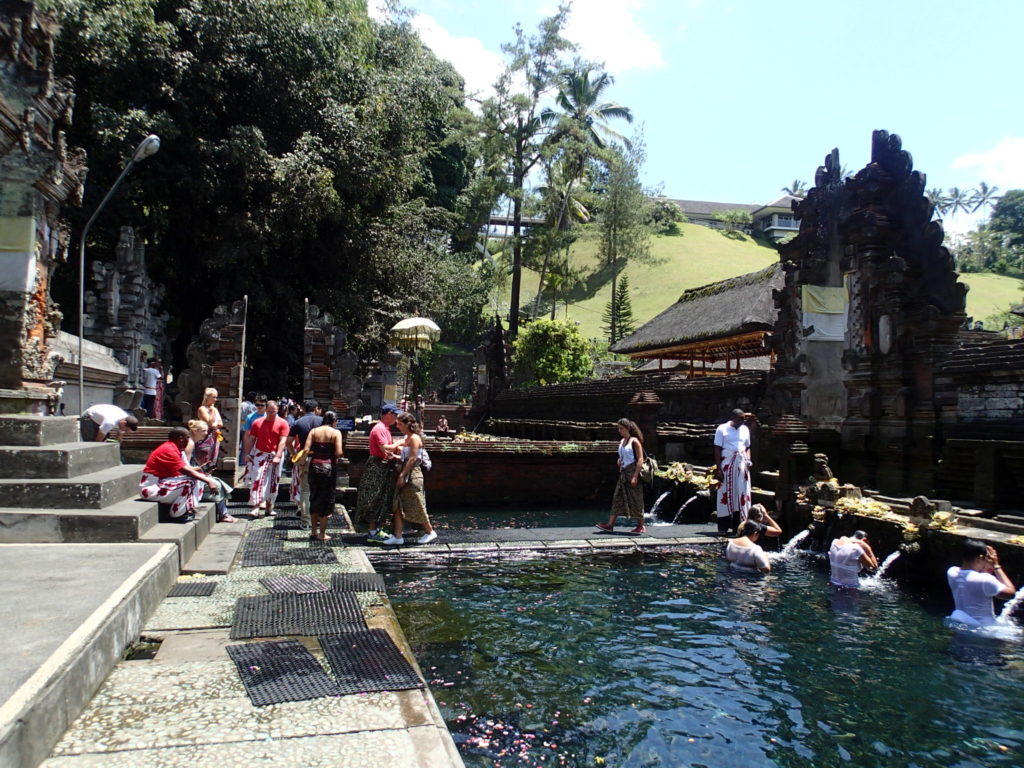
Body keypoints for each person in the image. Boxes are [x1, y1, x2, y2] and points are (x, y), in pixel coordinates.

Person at [139, 427, 218, 521]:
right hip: (151, 488)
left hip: (163, 482)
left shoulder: (176, 449)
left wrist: (203, 470)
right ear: (181, 438)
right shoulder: (168, 449)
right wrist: (208, 481)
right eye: (187, 438)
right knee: (189, 482)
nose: (189, 441)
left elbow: (188, 469)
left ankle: (189, 507)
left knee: (199, 478)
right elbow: (186, 471)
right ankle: (177, 514)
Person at [383, 412, 437, 546]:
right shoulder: (406, 438)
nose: (398, 427)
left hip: (413, 474)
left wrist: (402, 475)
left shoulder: (414, 438)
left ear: (408, 424)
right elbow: (405, 457)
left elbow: (413, 459)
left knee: (417, 503)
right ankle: (398, 535)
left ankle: (430, 532)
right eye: (397, 424)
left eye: (400, 424)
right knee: (398, 504)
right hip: (404, 470)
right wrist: (394, 457)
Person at [355, 403, 400, 541]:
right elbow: (385, 449)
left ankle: (376, 529)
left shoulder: (385, 428)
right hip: (377, 466)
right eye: (395, 414)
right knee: (374, 497)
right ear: (388, 414)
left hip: (382, 466)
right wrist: (400, 444)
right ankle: (372, 531)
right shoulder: (379, 428)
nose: (396, 417)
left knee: (381, 498)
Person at [947, 540, 1017, 627]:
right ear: (979, 558)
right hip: (986, 630)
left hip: (962, 623)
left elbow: (973, 581)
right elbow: (1011, 594)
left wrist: (985, 568)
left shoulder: (951, 572)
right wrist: (996, 566)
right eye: (986, 558)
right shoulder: (986, 580)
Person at [595, 418, 646, 535]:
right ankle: (610, 525)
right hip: (623, 473)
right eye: (618, 428)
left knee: (636, 498)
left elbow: (640, 459)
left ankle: (641, 525)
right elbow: (623, 456)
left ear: (628, 428)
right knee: (617, 498)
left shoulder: (634, 441)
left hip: (632, 472)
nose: (619, 431)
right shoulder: (622, 441)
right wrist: (619, 460)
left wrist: (635, 476)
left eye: (621, 428)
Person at [185, 420, 237, 523]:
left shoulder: (195, 442)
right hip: (189, 476)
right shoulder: (189, 444)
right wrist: (200, 470)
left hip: (196, 473)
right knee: (217, 484)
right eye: (204, 431)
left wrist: (203, 469)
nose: (206, 433)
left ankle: (224, 513)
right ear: (196, 431)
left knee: (218, 483)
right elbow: (185, 466)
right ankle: (223, 514)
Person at [245, 399, 290, 517]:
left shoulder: (283, 423)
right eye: (270, 412)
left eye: (274, 412)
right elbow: (252, 439)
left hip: (275, 453)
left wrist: (278, 455)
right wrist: (248, 453)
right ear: (265, 410)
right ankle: (255, 506)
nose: (272, 414)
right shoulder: (257, 422)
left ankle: (270, 507)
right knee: (257, 479)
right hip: (260, 453)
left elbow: (283, 440)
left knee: (274, 481)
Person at [304, 410, 343, 541]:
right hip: (328, 468)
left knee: (314, 496)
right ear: (334, 421)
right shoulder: (335, 433)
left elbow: (306, 449)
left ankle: (313, 531)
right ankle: (322, 533)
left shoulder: (314, 431)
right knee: (326, 499)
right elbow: (338, 452)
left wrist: (301, 463)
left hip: (314, 466)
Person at [714, 409, 752, 535]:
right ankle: (723, 527)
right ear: (732, 418)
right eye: (739, 419)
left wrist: (748, 460)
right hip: (727, 465)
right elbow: (717, 449)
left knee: (741, 494)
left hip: (741, 465)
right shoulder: (722, 429)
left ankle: (739, 527)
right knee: (725, 494)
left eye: (743, 419)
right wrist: (718, 468)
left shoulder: (745, 429)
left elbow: (747, 447)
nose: (741, 422)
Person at [289, 399, 323, 528]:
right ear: (315, 409)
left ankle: (306, 522)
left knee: (305, 491)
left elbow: (288, 443)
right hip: (321, 458)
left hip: (305, 458)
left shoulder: (298, 422)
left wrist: (294, 456)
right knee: (319, 489)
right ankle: (319, 518)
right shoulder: (322, 422)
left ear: (304, 409)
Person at [195, 388, 224, 469]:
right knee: (204, 455)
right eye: (214, 397)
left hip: (215, 435)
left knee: (213, 458)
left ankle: (209, 473)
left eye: (216, 397)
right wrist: (212, 411)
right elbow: (210, 423)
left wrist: (215, 425)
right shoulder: (202, 409)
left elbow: (220, 423)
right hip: (205, 436)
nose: (216, 399)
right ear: (207, 397)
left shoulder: (214, 409)